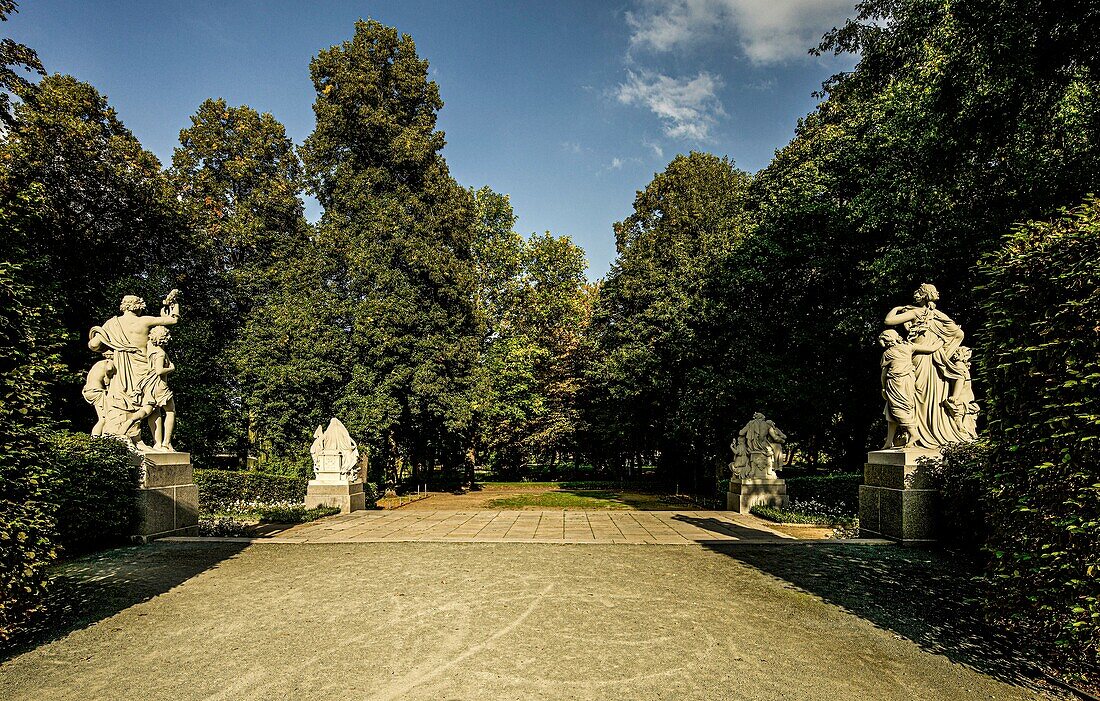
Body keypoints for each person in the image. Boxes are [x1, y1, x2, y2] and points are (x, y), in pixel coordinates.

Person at [883, 283, 971, 446]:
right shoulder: (938, 314)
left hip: (920, 358)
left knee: (916, 393)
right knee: (929, 394)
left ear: (924, 295)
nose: (915, 294)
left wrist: (897, 307)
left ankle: (917, 434)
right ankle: (927, 431)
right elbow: (959, 334)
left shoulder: (916, 312)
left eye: (918, 292)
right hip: (935, 357)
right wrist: (945, 350)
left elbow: (888, 320)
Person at [88, 290, 180, 441]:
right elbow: (173, 320)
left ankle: (121, 437)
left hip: (121, 369)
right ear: (137, 306)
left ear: (124, 307)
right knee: (149, 406)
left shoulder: (112, 324)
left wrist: (107, 342)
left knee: (120, 401)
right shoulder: (144, 321)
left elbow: (94, 345)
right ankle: (137, 439)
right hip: (144, 370)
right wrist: (174, 305)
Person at [878, 329, 938, 448]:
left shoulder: (888, 353)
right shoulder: (908, 346)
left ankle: (913, 433)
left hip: (895, 382)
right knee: (892, 410)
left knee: (898, 409)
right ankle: (889, 441)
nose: (883, 344)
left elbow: (884, 374)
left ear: (888, 339)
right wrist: (942, 340)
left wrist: (884, 388)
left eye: (883, 341)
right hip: (907, 380)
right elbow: (931, 349)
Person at [143, 326, 176, 452]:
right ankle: (166, 443)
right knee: (170, 411)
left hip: (150, 385)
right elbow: (159, 370)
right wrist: (172, 368)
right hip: (160, 384)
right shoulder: (160, 353)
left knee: (155, 412)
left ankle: (157, 443)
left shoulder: (149, 348)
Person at [82, 351, 115, 436]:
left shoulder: (99, 363)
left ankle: (99, 439)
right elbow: (109, 368)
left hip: (89, 390)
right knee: (104, 418)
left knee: (104, 418)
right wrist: (108, 377)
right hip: (96, 391)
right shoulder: (109, 362)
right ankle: (97, 438)